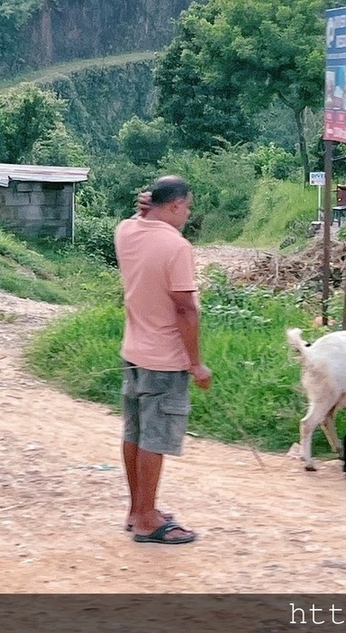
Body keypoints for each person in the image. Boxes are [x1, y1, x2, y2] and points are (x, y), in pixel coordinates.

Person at [115, 175, 212, 545]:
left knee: (134, 431)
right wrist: (196, 363)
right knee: (155, 437)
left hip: (134, 351)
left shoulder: (125, 231)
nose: (188, 213)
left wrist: (145, 212)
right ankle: (147, 520)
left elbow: (138, 220)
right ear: (174, 205)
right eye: (186, 206)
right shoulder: (177, 247)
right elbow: (186, 309)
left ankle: (137, 509)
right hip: (165, 359)